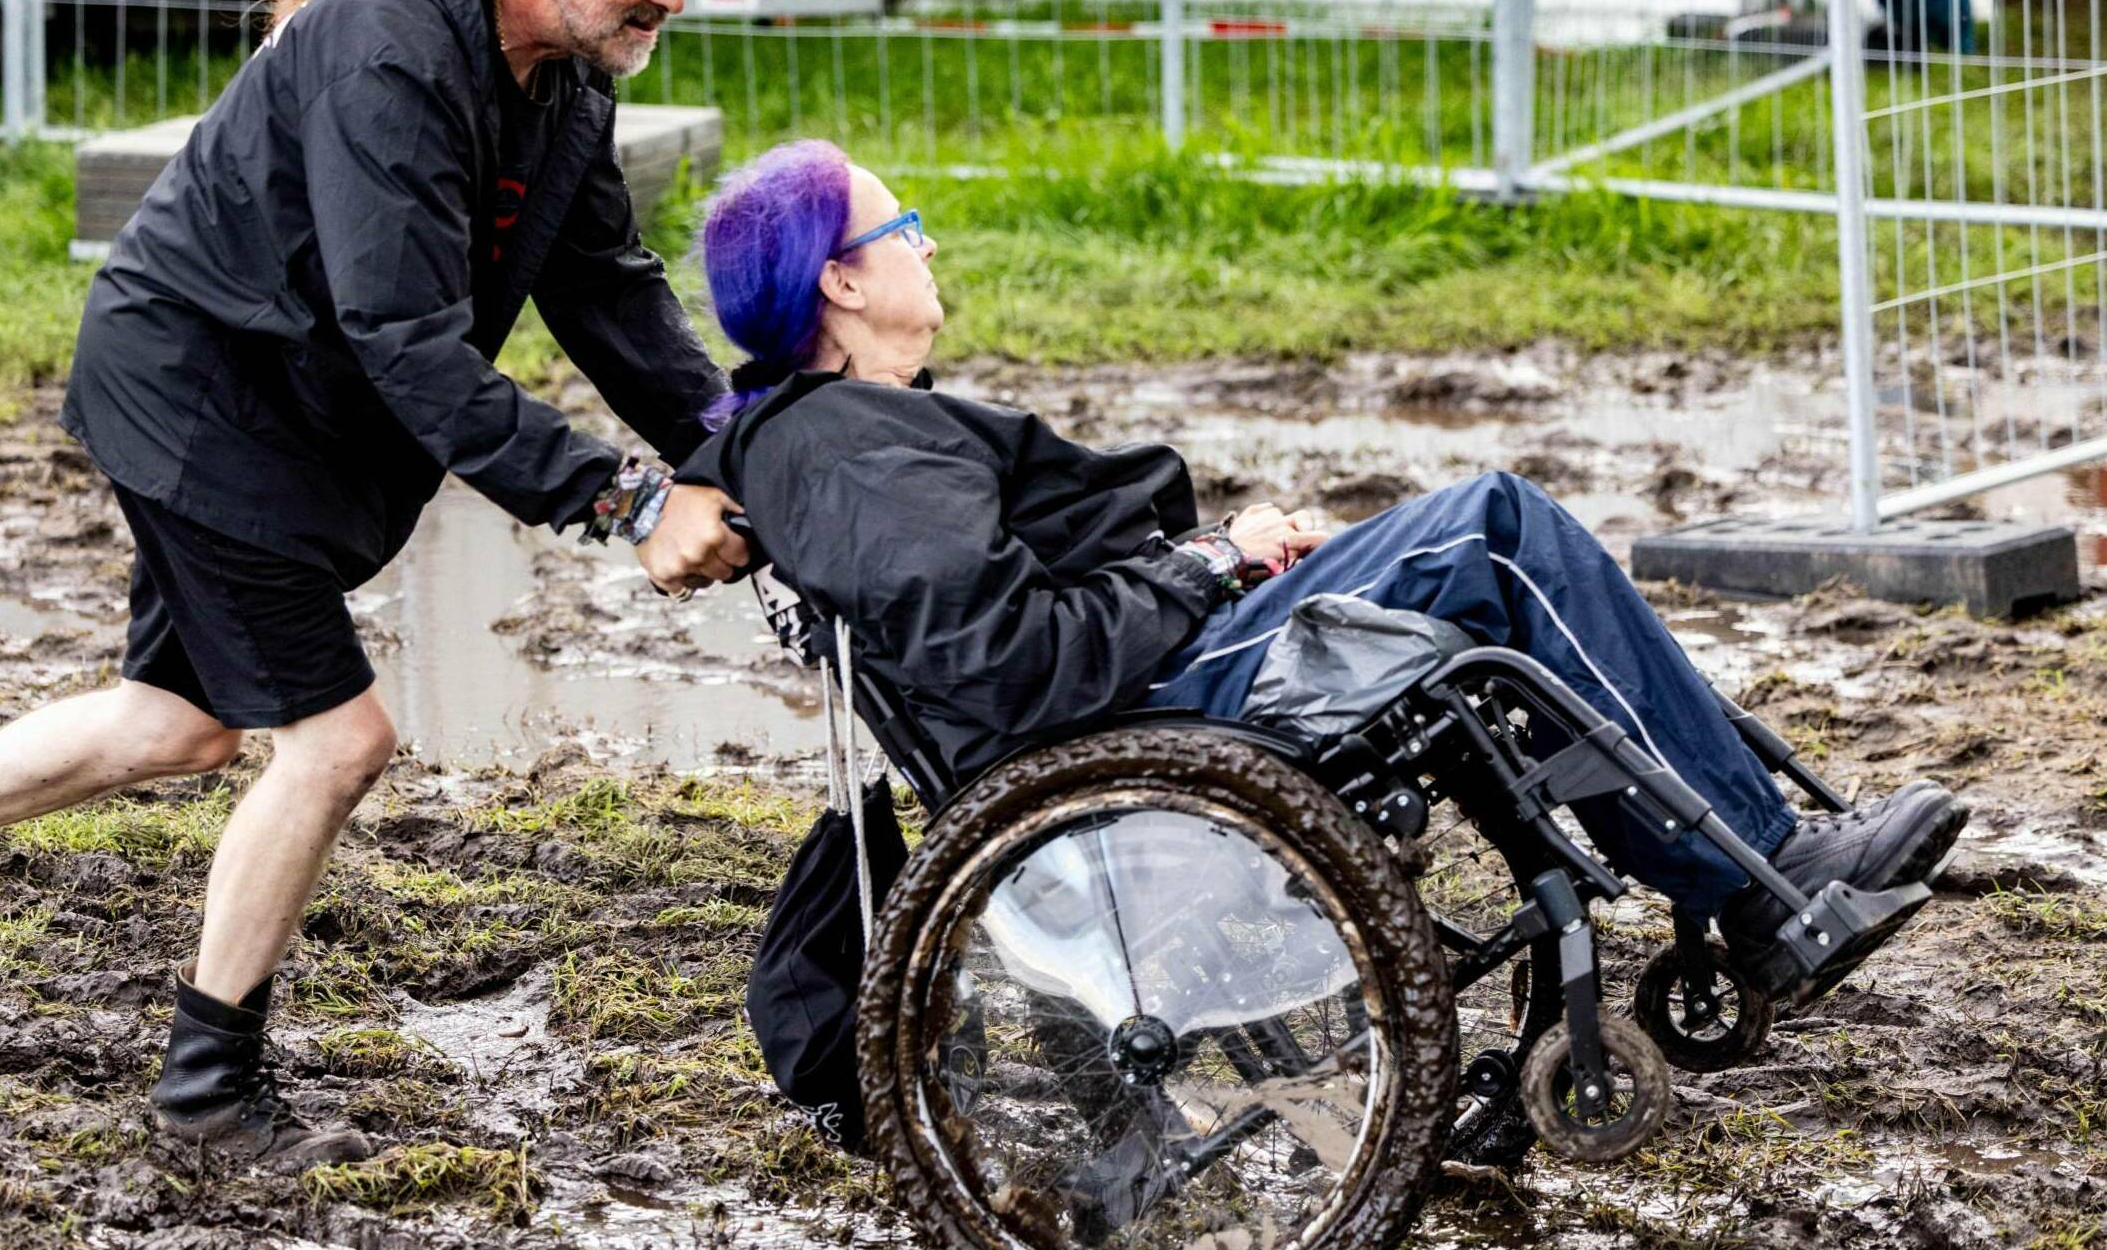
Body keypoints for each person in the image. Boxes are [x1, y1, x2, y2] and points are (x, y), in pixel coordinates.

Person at [0, 0, 758, 1167]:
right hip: (201, 400)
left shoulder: (561, 85)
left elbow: (610, 294)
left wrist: (743, 450)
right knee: (337, 745)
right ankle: (205, 1094)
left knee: (176, 726)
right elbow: (408, 340)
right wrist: (624, 503)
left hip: (275, 409)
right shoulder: (391, 50)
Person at [677, 138, 1969, 956]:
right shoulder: (849, 443)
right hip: (1127, 717)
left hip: (1140, 682)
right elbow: (1018, 664)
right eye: (904, 227)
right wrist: (1213, 565)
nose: (928, 241)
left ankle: (1753, 848)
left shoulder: (848, 438)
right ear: (841, 281)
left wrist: (1228, 555)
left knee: (1475, 554)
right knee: (1496, 531)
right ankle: (1761, 884)